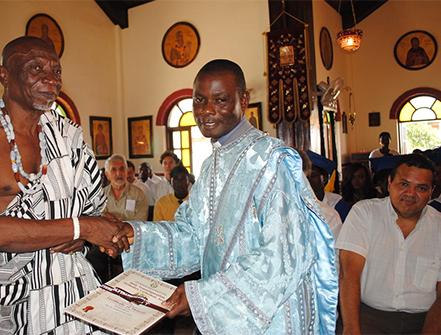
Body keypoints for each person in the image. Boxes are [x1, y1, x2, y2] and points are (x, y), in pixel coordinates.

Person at [114, 59, 338, 334]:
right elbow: (194, 234)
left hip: (271, 317)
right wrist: (135, 234)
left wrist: (204, 296)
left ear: (242, 100)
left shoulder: (271, 160)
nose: (206, 111)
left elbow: (284, 255)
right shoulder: (211, 165)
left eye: (220, 100)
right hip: (228, 318)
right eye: (198, 100)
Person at [0, 36, 125, 334]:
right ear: (4, 74)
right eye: (36, 67)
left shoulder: (67, 135)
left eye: (57, 71)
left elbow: (92, 213)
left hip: (63, 294)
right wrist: (80, 228)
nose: (51, 79)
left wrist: (94, 232)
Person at [337, 154, 441, 334]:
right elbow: (349, 274)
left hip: (425, 319)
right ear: (389, 183)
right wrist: (351, 329)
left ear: (431, 192)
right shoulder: (365, 213)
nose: (410, 194)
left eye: (421, 188)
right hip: (369, 317)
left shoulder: (438, 225)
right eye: (404, 184)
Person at [307, 150, 351, 221]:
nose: (307, 180)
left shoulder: (337, 205)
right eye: (304, 177)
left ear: (324, 178)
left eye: (312, 175)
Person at [103, 155, 148, 221]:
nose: (118, 173)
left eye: (122, 169)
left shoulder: (138, 195)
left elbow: (140, 224)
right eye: (114, 170)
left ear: (126, 172)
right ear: (107, 175)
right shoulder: (101, 195)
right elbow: (100, 222)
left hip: (131, 231)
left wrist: (115, 221)